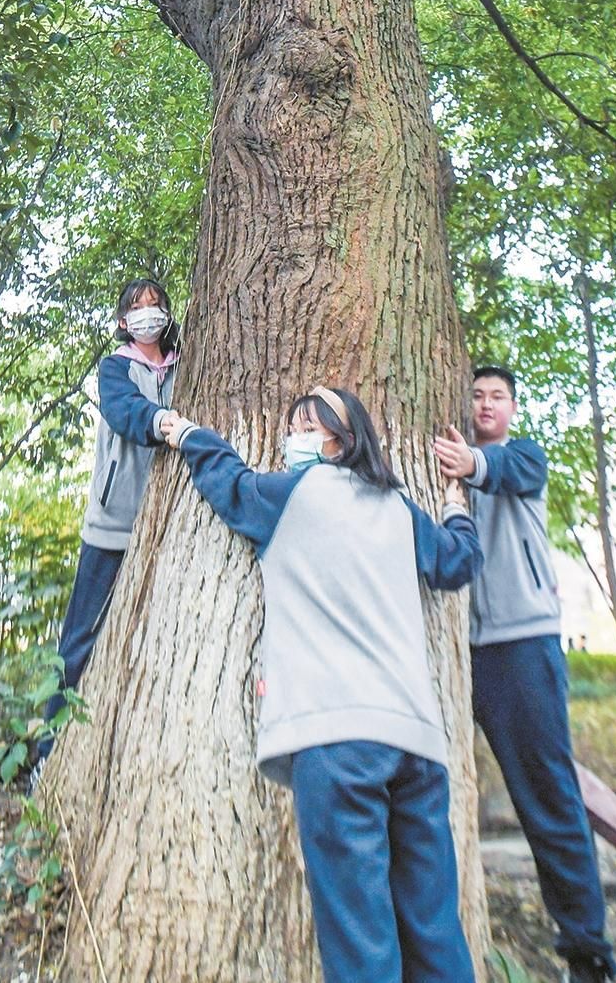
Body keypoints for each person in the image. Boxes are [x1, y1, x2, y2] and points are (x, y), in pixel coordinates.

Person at [159, 384, 480, 983]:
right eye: (295, 426)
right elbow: (455, 563)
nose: (294, 437)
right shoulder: (400, 508)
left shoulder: (290, 496)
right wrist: (456, 506)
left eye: (309, 427)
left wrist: (186, 434)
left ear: (343, 439)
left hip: (337, 743)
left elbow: (228, 480)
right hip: (416, 741)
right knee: (435, 932)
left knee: (361, 946)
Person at [434, 365, 616, 983]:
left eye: (498, 397)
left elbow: (509, 471)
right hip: (457, 650)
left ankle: (587, 952)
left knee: (548, 798)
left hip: (522, 648)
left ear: (512, 408)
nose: (486, 404)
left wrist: (473, 465)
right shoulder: (441, 462)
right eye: (477, 395)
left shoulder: (522, 458)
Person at [35, 278, 180, 765]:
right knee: (80, 639)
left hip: (169, 525)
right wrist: (162, 422)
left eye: (154, 304)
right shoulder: (116, 367)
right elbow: (124, 413)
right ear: (123, 321)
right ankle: (47, 754)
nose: (147, 313)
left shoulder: (185, 365)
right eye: (137, 307)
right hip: (113, 524)